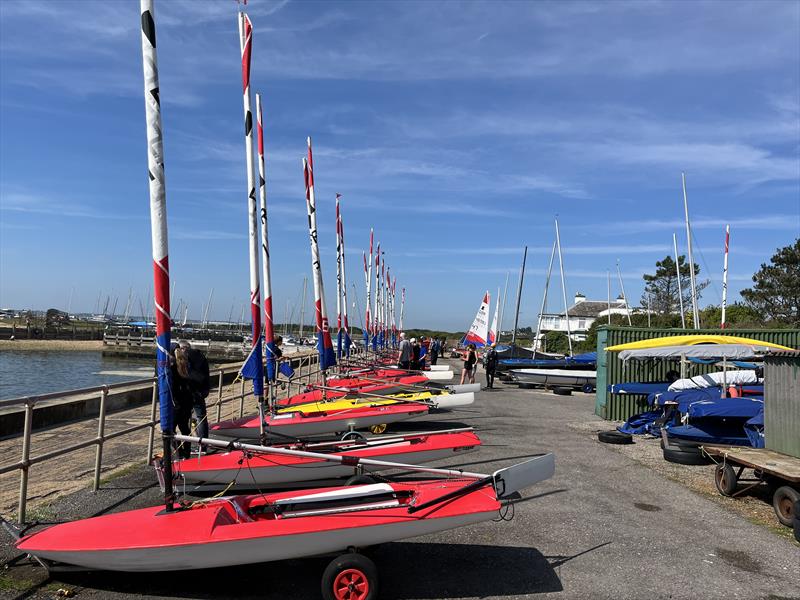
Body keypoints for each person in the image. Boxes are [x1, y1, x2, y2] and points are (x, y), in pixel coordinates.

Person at [175, 340, 210, 450]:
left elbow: (186, 374)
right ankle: (203, 445)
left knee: (185, 420)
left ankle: (186, 447)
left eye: (179, 349)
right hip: (202, 390)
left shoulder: (186, 358)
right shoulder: (201, 356)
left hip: (191, 392)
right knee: (201, 418)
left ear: (184, 348)